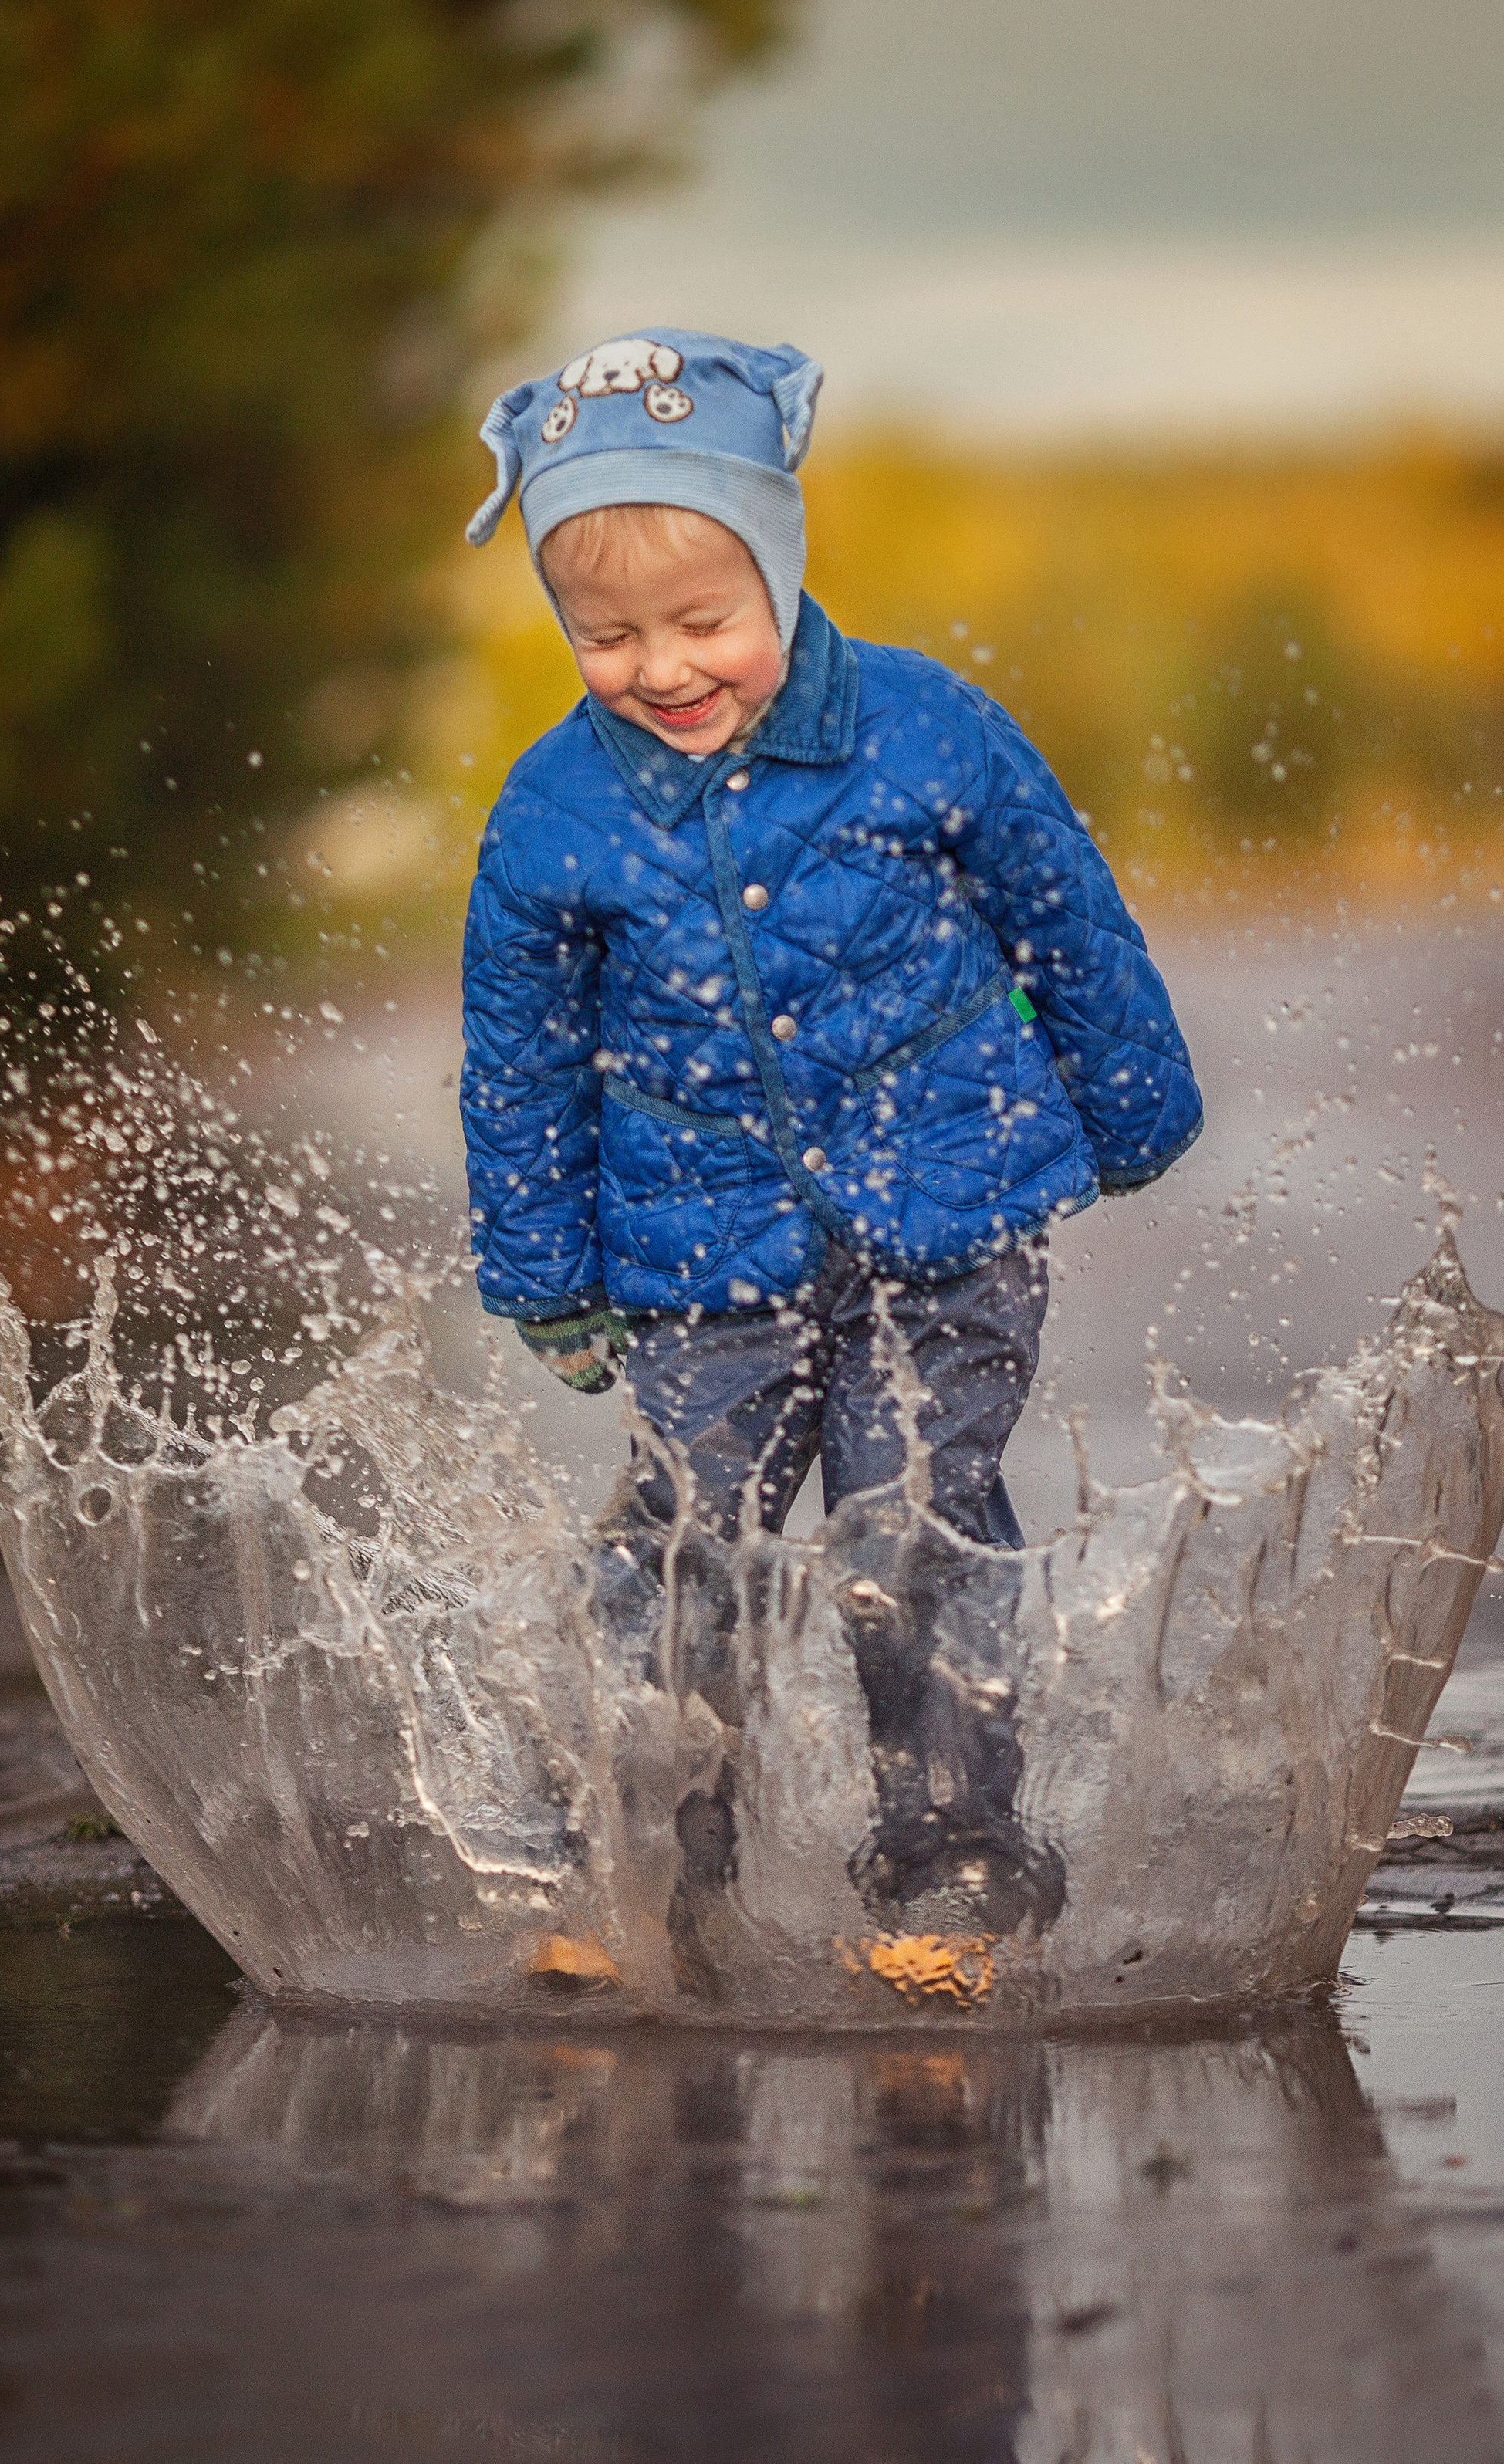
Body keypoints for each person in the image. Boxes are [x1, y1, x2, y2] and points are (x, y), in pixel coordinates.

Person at [458, 330, 1201, 1934]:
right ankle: (644, 1852)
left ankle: (948, 1859)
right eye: (604, 635)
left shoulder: (925, 729)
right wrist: (542, 1270)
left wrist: (1128, 1097)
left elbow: (1061, 910)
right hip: (694, 1248)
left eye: (702, 621)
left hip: (947, 1225)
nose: (661, 668)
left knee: (911, 1527)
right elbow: (516, 1059)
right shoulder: (551, 813)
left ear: (780, 570)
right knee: (682, 1537)